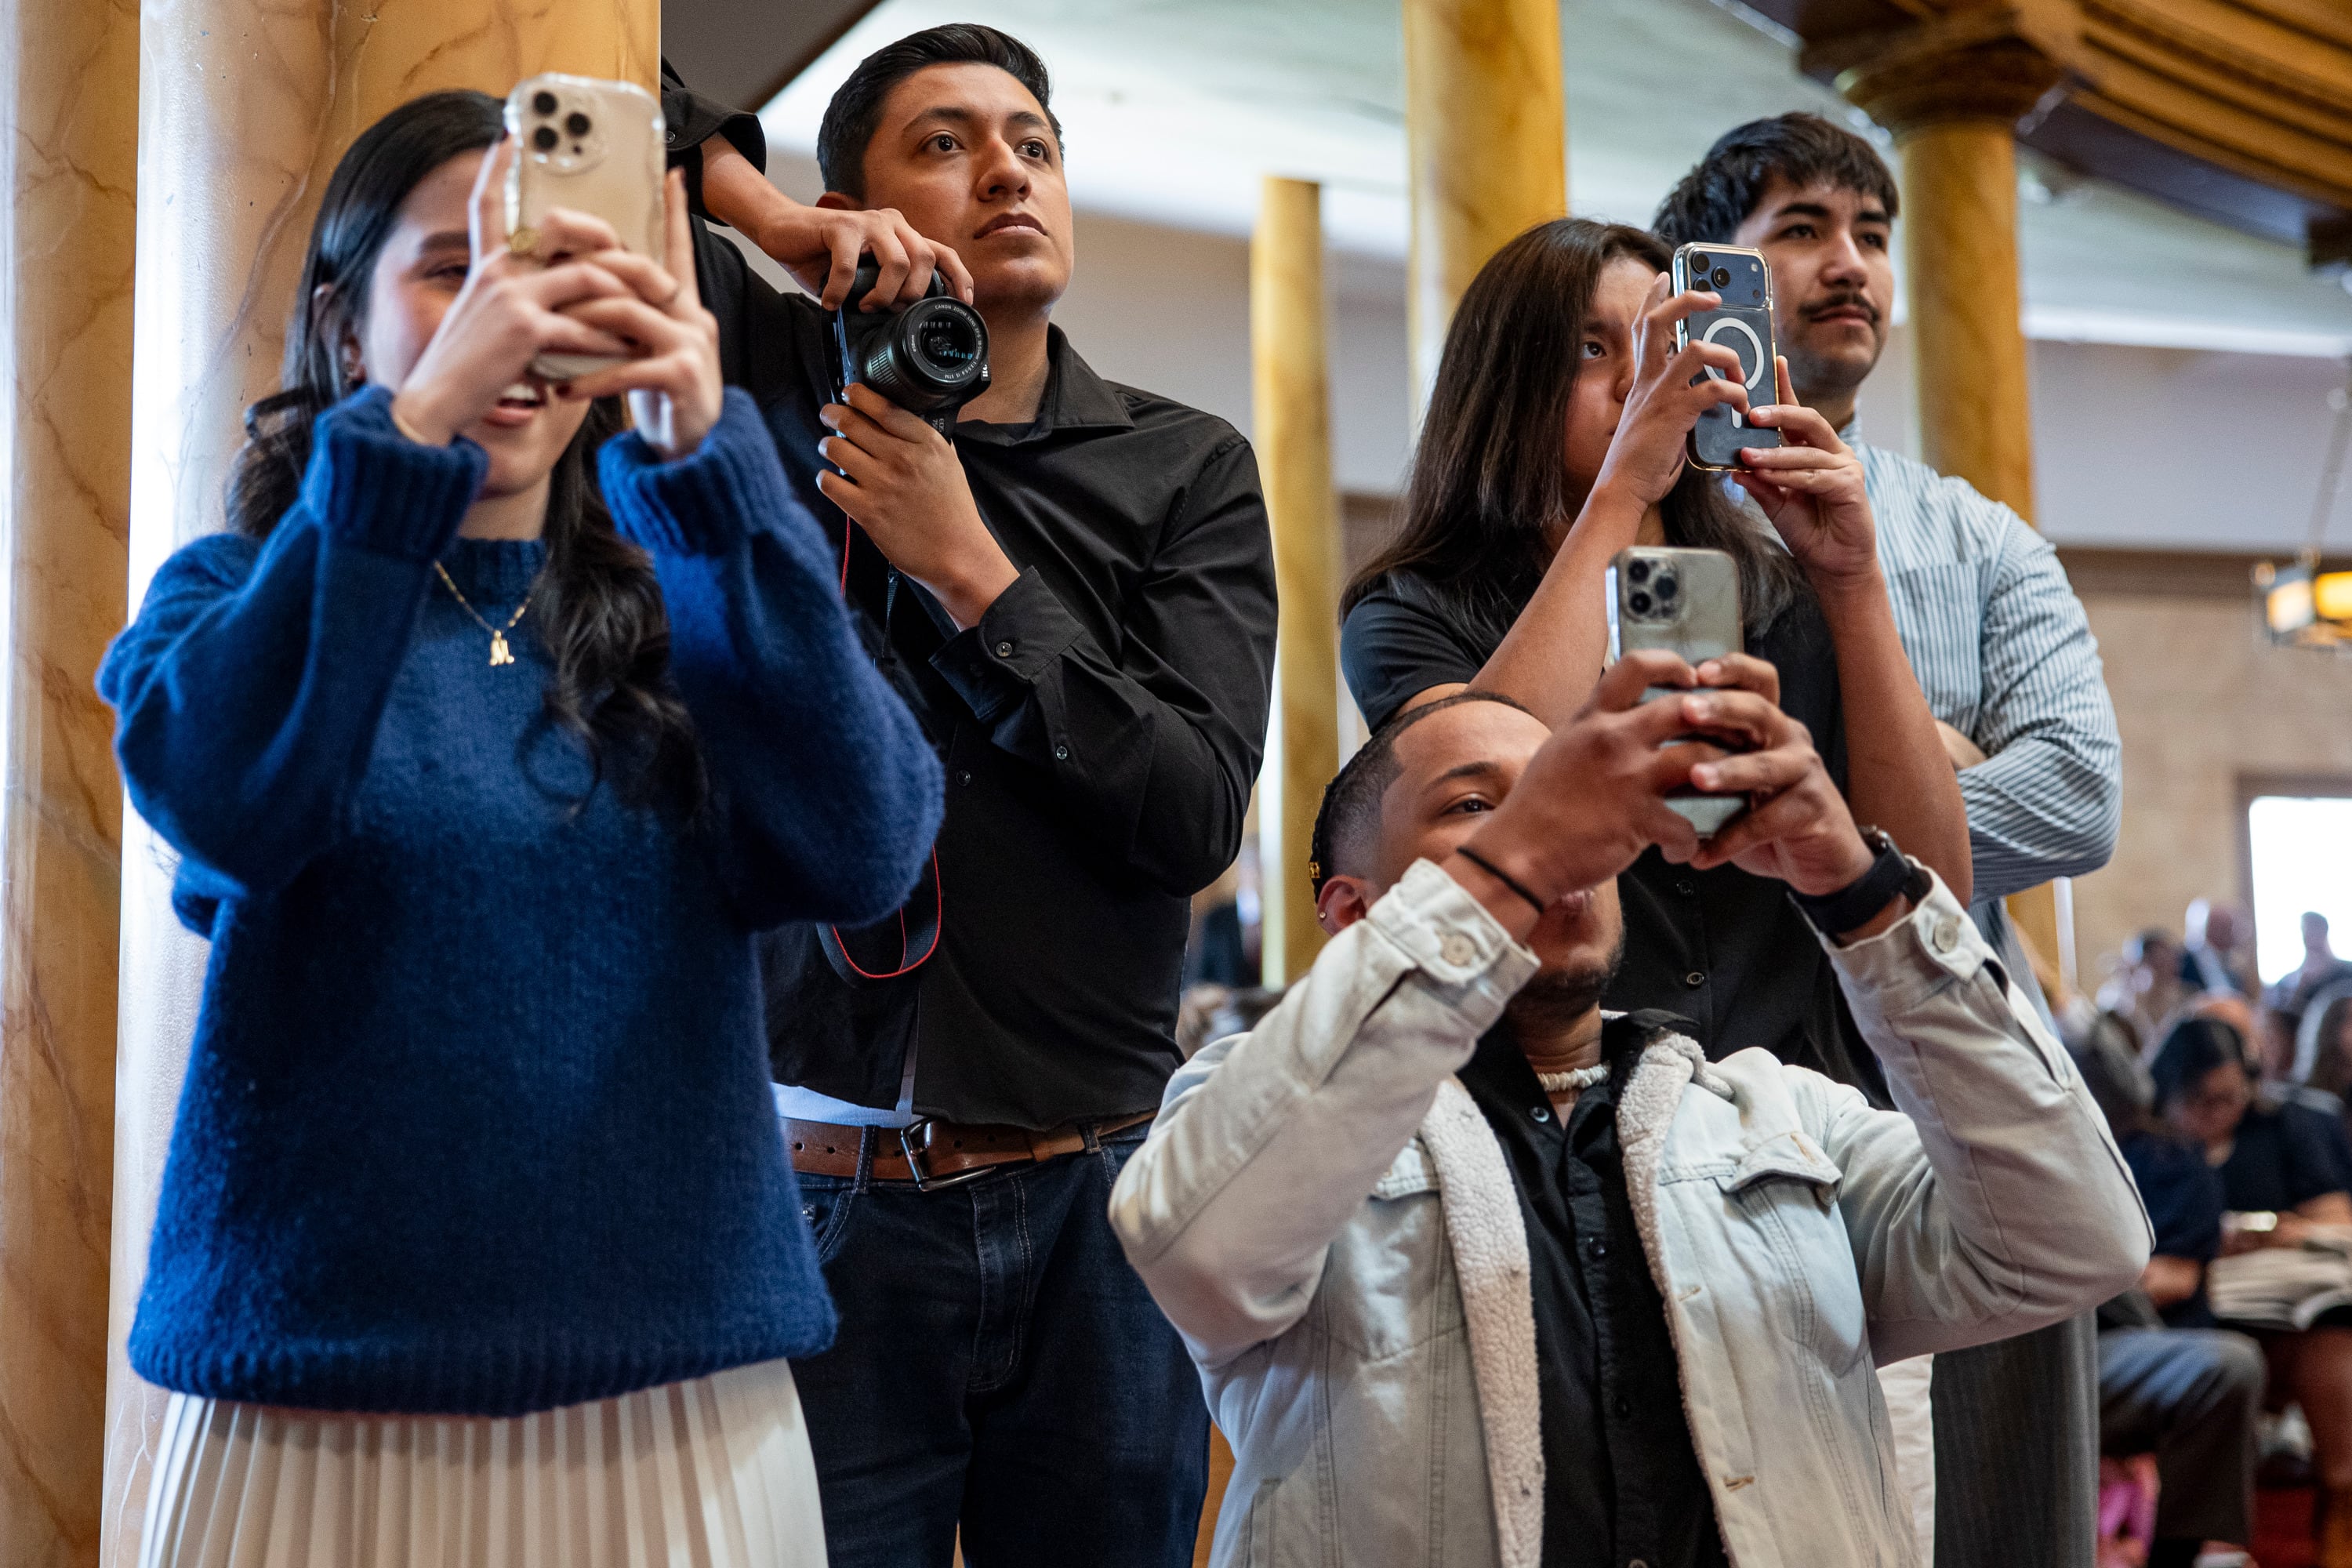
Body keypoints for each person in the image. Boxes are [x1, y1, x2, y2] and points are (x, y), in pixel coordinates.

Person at [102, 93, 942, 1565]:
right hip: (313, 1416)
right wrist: (407, 444)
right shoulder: (228, 597)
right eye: (455, 268)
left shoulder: (696, 608)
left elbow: (864, 849)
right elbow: (233, 806)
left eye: (548, 262)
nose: (514, 310)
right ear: (343, 326)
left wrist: (708, 455)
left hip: (676, 1420)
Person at [659, 27, 1276, 1566]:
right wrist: (771, 222)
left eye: (1036, 142)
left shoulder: (1183, 468)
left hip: (1102, 1208)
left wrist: (969, 569)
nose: (1009, 168)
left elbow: (1194, 810)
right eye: (945, 144)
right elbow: (615, 87)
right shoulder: (765, 375)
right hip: (819, 1204)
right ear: (857, 203)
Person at [1110, 660, 2150, 1568]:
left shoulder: (1775, 1116)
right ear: (1357, 912)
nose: (1559, 839)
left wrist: (1864, 896)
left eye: (1566, 802)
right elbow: (1197, 1253)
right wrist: (1513, 865)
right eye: (1483, 807)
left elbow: (2074, 1239)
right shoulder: (1248, 1104)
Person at [1341, 216, 1969, 1099]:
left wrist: (1854, 579)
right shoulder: (1411, 607)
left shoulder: (1779, 592)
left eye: (1663, 341)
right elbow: (1491, 811)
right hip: (1556, 1104)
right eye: (1597, 350)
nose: (1644, 377)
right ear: (1505, 383)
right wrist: (1621, 489)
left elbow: (1932, 884)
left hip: (1798, 1106)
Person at [2152, 1016, 2352, 1564]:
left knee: (2334, 1325)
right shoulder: (2152, 1148)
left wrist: (2279, 1232)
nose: (2220, 1112)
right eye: (2203, 1099)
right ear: (2169, 1090)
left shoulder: (2285, 1125)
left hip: (2283, 1303)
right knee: (2224, 1354)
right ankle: (2217, 1535)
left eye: (2233, 1097)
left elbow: (2339, 1224)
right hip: (2190, 1307)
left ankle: (2341, 1493)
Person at [2097, 1102, 2266, 1568]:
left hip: (2102, 1332)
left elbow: (2178, 1278)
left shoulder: (2171, 1157)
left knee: (2229, 1365)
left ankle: (2180, 1557)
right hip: (1999, 1341)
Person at [2183, 898, 2257, 996]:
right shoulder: (2188, 960)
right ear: (2213, 927)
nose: (2233, 933)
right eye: (2228, 927)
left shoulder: (2233, 965)